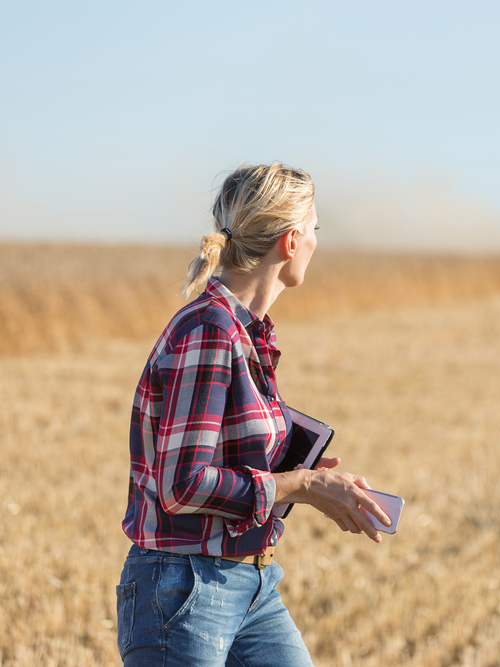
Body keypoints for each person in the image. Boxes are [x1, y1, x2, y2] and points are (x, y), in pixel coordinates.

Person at [116, 163, 390, 666]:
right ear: (290, 242)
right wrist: (300, 486)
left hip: (253, 585)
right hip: (185, 591)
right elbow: (183, 485)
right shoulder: (211, 330)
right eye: (314, 230)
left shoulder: (248, 331)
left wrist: (297, 476)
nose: (314, 242)